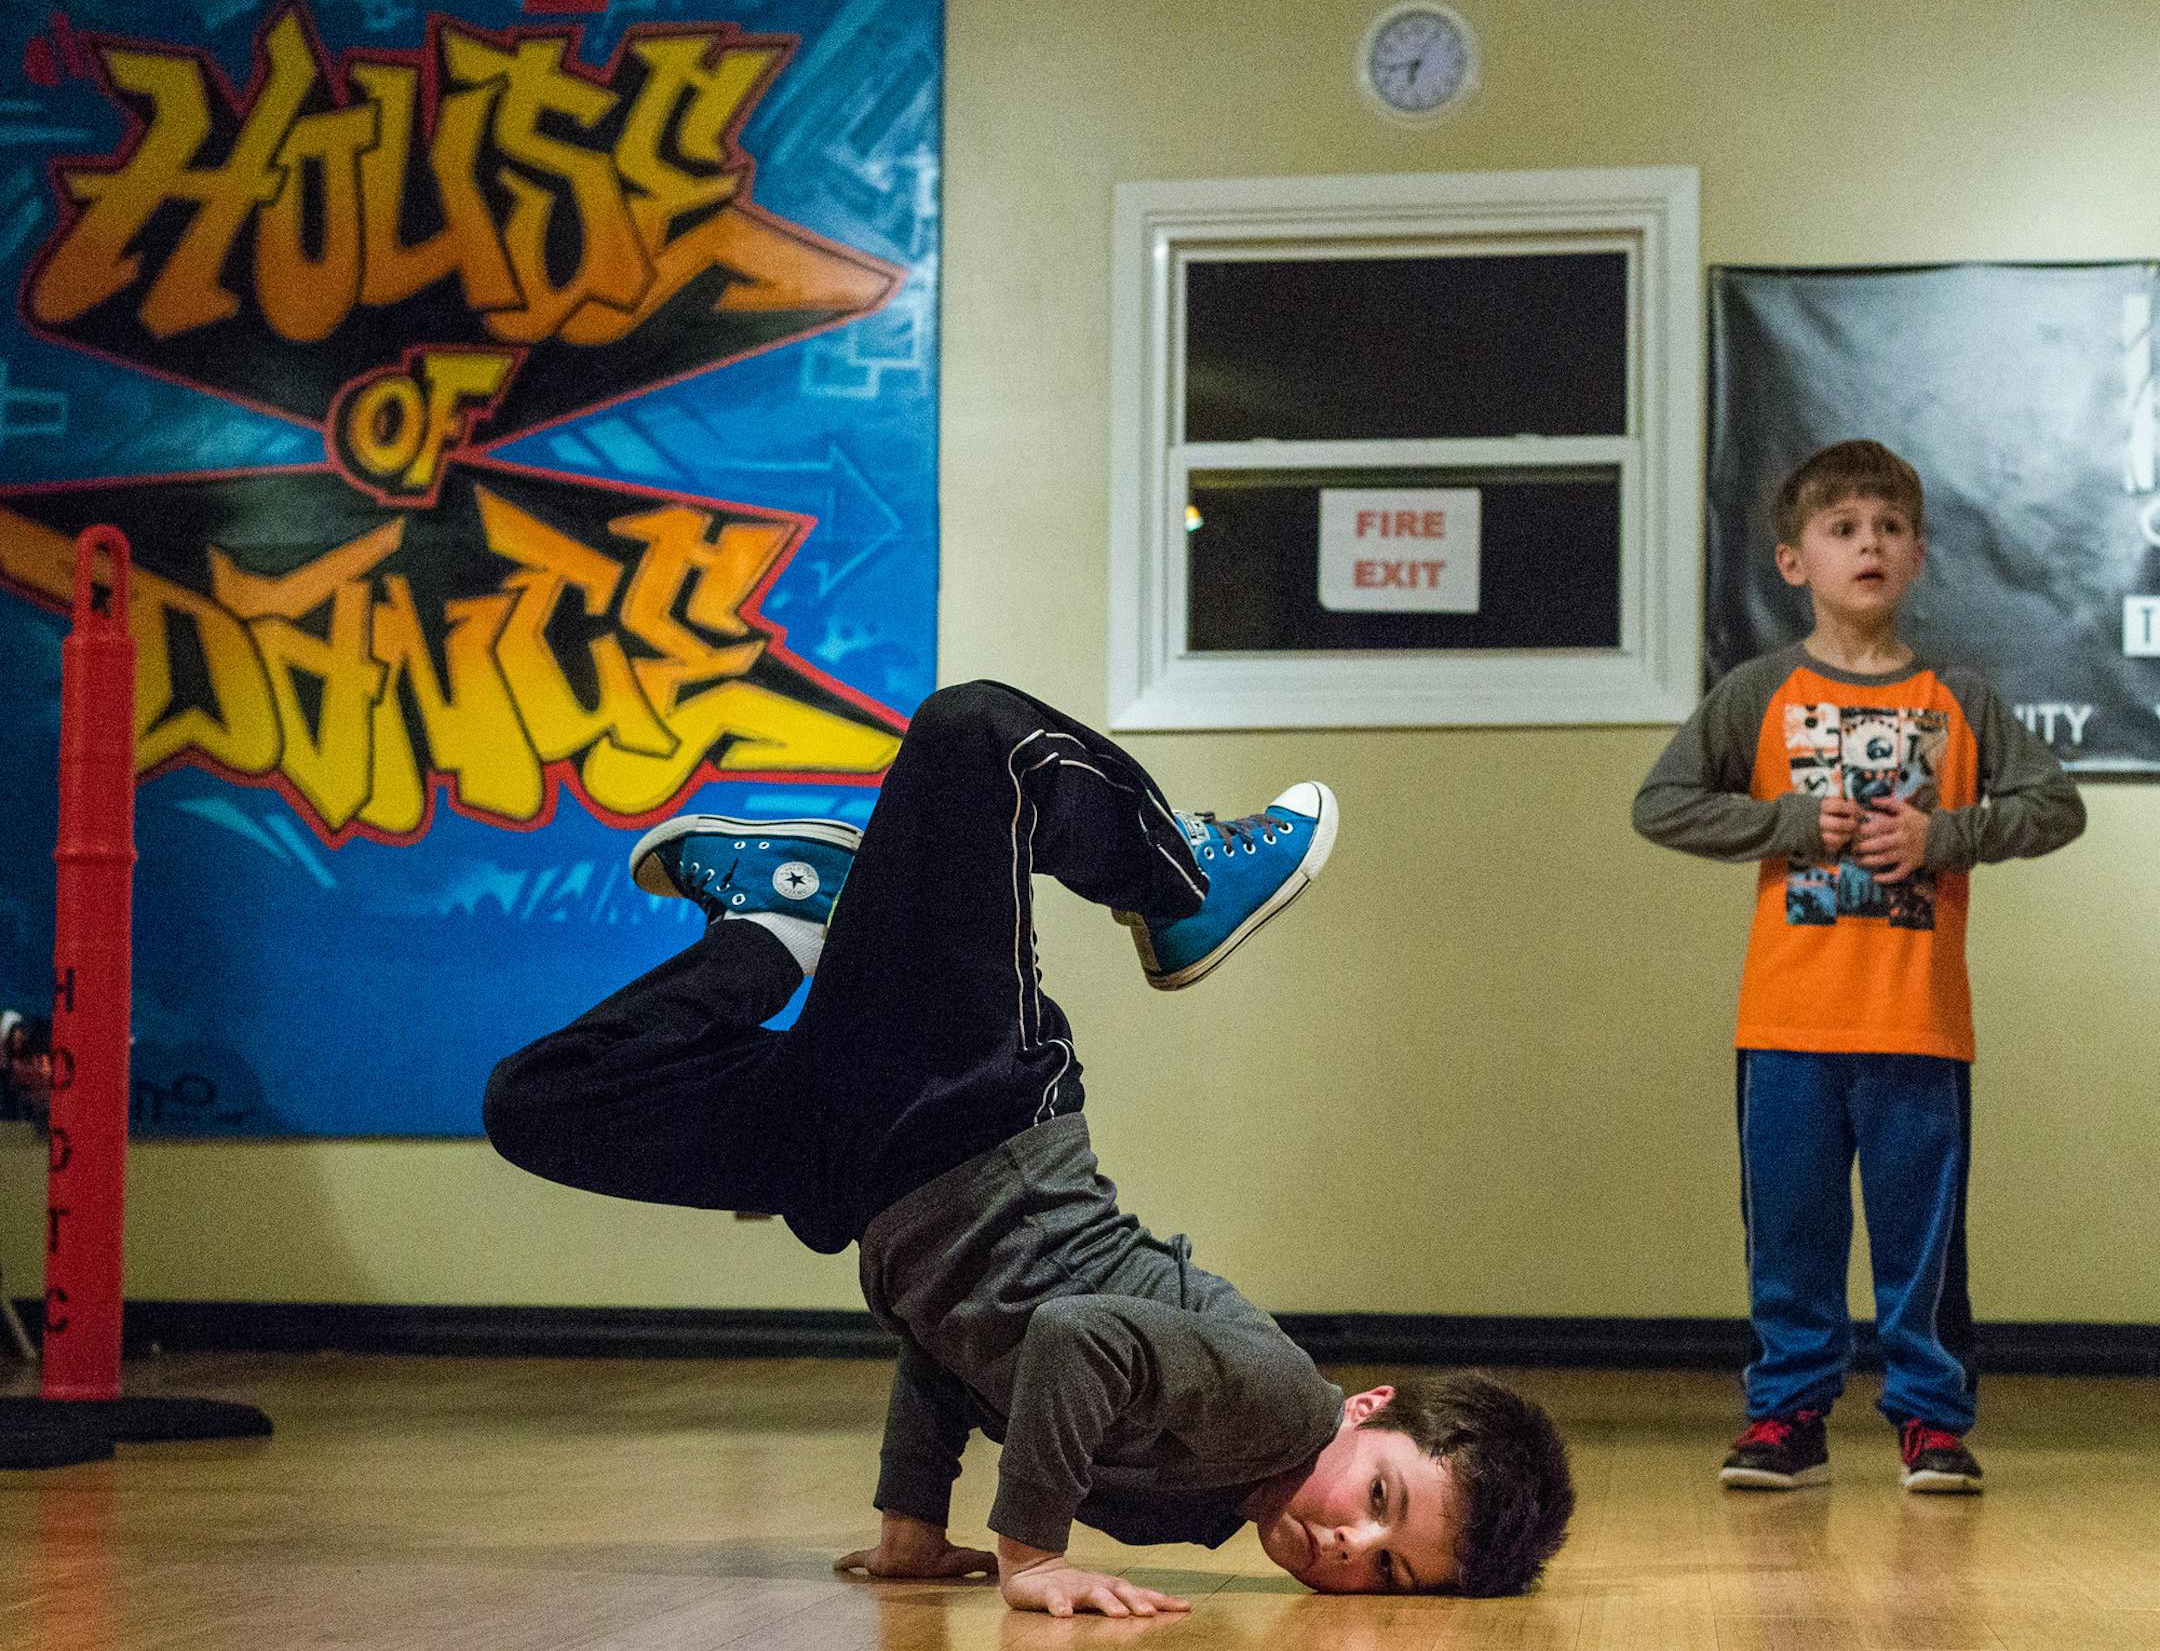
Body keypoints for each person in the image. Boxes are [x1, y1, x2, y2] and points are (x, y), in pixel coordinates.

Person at [485, 679, 1573, 1616]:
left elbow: (960, 1360)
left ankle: (775, 930)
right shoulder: (1279, 1403)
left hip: (865, 1172)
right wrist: (1032, 1553)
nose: (1347, 1547)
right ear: (1366, 1408)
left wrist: (912, 1520)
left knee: (540, 1102)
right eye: (1381, 1500)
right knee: (976, 736)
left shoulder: (1194, 1512)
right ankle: (1185, 883)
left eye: (1387, 1574)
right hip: (978, 1114)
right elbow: (1069, 1336)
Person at [1633, 440, 2085, 1496]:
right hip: (1786, 1027)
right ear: (1796, 561)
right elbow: (1662, 802)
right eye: (1842, 529)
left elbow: (2053, 805)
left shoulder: (1958, 695)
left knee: (1922, 1251)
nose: (1867, 545)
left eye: (1887, 529)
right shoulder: (1760, 693)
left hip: (1920, 1026)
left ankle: (1930, 1420)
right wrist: (1789, 819)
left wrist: (1947, 838)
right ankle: (1787, 1415)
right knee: (1789, 1238)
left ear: (1918, 556)